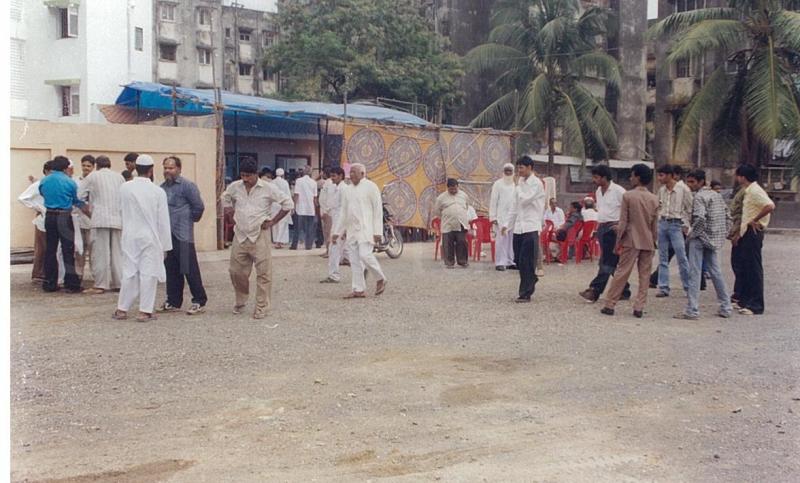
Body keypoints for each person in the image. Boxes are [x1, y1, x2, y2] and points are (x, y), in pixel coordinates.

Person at [222, 158, 293, 319]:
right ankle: (241, 301)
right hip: (240, 235)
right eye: (243, 175)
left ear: (256, 175)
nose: (245, 179)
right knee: (236, 272)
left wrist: (273, 221)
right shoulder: (235, 187)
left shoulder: (268, 188)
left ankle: (262, 306)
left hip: (260, 234)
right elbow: (225, 198)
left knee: (263, 273)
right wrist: (230, 213)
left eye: (248, 176)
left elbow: (288, 204)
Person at [113, 155, 173, 322]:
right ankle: (145, 311)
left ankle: (122, 309)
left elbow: (120, 209)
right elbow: (163, 221)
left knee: (129, 272)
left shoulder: (125, 188)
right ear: (151, 170)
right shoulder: (158, 191)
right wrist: (165, 246)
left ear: (135, 168)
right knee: (149, 273)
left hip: (130, 235)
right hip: (150, 236)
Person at [600, 164, 659, 318]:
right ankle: (639, 307)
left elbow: (624, 222)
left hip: (631, 239)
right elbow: (654, 224)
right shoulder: (654, 198)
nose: (630, 178)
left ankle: (610, 304)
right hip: (648, 240)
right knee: (644, 275)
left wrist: (618, 241)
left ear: (638, 177)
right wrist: (654, 240)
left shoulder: (628, 196)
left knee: (622, 272)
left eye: (632, 175)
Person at [675, 170, 733, 320]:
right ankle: (726, 306)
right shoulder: (716, 195)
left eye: (692, 182)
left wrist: (692, 234)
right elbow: (728, 217)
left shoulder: (699, 197)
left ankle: (692, 309)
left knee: (694, 273)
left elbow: (700, 218)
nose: (690, 185)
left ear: (701, 182)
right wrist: (720, 234)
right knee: (716, 272)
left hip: (699, 238)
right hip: (712, 238)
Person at [158, 156, 208, 315]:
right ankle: (173, 301)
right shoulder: (162, 188)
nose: (167, 171)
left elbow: (198, 206)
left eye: (171, 168)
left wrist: (189, 220)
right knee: (171, 269)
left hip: (183, 234)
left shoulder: (187, 186)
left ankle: (199, 300)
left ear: (179, 169)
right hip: (168, 235)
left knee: (188, 268)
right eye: (165, 167)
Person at [331, 163, 387, 299]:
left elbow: (377, 210)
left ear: (363, 174)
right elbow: (343, 212)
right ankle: (358, 289)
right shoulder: (347, 190)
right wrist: (337, 232)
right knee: (354, 261)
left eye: (355, 172)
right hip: (352, 230)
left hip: (366, 229)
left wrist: (378, 231)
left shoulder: (371, 187)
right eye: (351, 172)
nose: (352, 175)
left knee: (365, 255)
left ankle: (381, 278)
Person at [579, 165, 631, 303]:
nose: (594, 180)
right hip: (602, 226)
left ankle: (595, 290)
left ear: (604, 177)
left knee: (606, 261)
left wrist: (621, 225)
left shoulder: (619, 191)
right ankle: (624, 289)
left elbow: (629, 209)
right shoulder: (598, 191)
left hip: (613, 228)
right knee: (612, 261)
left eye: (596, 177)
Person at [501, 156, 546, 303]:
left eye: (521, 168)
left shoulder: (536, 183)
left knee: (527, 261)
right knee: (518, 260)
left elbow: (526, 199)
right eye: (518, 167)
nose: (519, 171)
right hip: (518, 227)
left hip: (531, 226)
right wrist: (507, 225)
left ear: (530, 168)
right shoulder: (520, 183)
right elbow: (515, 206)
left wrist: (518, 189)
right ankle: (531, 279)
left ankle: (525, 293)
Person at [39, 156, 86, 293]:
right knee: (67, 249)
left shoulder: (44, 180)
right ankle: (71, 283)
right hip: (64, 216)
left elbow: (42, 193)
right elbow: (75, 200)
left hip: (50, 216)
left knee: (51, 249)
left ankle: (50, 282)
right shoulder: (69, 182)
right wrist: (85, 207)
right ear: (66, 168)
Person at [78, 155, 125, 294]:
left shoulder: (92, 176)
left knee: (100, 253)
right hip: (117, 219)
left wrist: (88, 208)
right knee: (117, 253)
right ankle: (119, 283)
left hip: (99, 219)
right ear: (109, 165)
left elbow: (79, 195)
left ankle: (100, 285)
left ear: (97, 165)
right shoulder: (119, 177)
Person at [732, 164, 774, 315]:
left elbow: (769, 206)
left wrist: (755, 220)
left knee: (753, 268)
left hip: (753, 232)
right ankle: (744, 299)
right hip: (745, 232)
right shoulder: (748, 191)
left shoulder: (755, 190)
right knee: (743, 266)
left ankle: (756, 304)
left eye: (737, 176)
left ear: (742, 177)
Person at [654, 164, 692, 298]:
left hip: (676, 224)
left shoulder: (683, 189)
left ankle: (688, 287)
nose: (659, 178)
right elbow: (658, 206)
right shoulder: (662, 190)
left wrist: (686, 225)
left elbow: (689, 208)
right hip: (663, 222)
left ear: (670, 175)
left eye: (662, 175)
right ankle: (663, 287)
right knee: (662, 257)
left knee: (682, 257)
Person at [18, 161, 52, 282]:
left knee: (48, 246)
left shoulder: (50, 184)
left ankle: (44, 272)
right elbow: (22, 198)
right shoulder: (39, 184)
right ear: (47, 171)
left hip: (50, 216)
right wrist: (38, 207)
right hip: (42, 217)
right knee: (42, 247)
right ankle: (38, 273)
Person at [433, 178, 471, 268]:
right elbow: (437, 211)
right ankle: (449, 263)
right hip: (448, 224)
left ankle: (462, 261)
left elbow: (466, 206)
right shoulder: (441, 198)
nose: (453, 190)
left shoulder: (464, 195)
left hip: (461, 223)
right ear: (447, 188)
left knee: (462, 242)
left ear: (458, 186)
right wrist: (448, 215)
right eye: (451, 189)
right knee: (448, 243)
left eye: (455, 188)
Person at [320, 167, 348, 283]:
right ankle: (364, 267)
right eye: (331, 176)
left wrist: (343, 229)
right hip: (335, 219)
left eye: (334, 176)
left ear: (341, 176)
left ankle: (334, 275)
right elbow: (331, 204)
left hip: (341, 221)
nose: (332, 178)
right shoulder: (334, 187)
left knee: (335, 247)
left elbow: (346, 209)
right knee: (341, 248)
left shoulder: (344, 189)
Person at [489, 163, 516, 270]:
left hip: (513, 217)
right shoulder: (498, 184)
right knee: (501, 240)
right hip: (500, 217)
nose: (508, 173)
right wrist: (493, 217)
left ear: (513, 172)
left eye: (510, 170)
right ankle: (500, 262)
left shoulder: (516, 184)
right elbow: (493, 201)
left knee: (511, 240)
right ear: (503, 171)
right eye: (506, 170)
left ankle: (510, 261)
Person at [74, 154, 96, 280]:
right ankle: (79, 274)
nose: (86, 168)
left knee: (93, 251)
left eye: (88, 166)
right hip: (78, 219)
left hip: (92, 221)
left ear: (93, 167)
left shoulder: (96, 181)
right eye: (84, 165)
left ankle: (95, 276)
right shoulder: (76, 181)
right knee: (79, 250)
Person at [291, 165, 318, 250]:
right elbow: (315, 197)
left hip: (300, 208)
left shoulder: (299, 181)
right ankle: (308, 246)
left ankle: (294, 245)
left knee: (297, 228)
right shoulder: (314, 182)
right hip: (310, 209)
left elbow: (296, 194)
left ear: (303, 172)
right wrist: (316, 208)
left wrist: (293, 206)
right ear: (310, 173)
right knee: (309, 229)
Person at [271, 168, 292, 248]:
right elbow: (288, 194)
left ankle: (276, 240)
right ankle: (279, 242)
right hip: (283, 204)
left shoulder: (272, 182)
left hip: (274, 205)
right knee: (282, 223)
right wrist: (290, 205)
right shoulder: (285, 182)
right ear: (283, 175)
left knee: (275, 222)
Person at [318, 168, 335, 257]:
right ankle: (327, 250)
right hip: (324, 210)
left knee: (328, 232)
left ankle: (329, 251)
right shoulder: (326, 183)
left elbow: (329, 199)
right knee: (326, 232)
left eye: (322, 172)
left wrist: (326, 211)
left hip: (327, 212)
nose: (321, 174)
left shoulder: (329, 183)